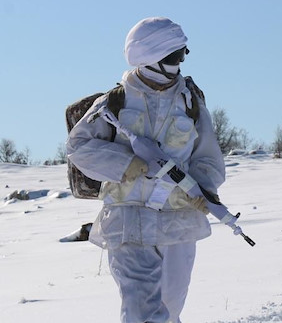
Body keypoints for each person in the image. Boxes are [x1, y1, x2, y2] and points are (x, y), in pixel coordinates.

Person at [66, 17, 226, 323]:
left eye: (182, 54)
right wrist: (124, 163)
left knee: (170, 308)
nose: (180, 62)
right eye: (173, 56)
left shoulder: (190, 102)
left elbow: (207, 157)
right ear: (150, 58)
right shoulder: (113, 104)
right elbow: (79, 147)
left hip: (177, 221)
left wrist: (204, 190)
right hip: (129, 220)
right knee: (141, 311)